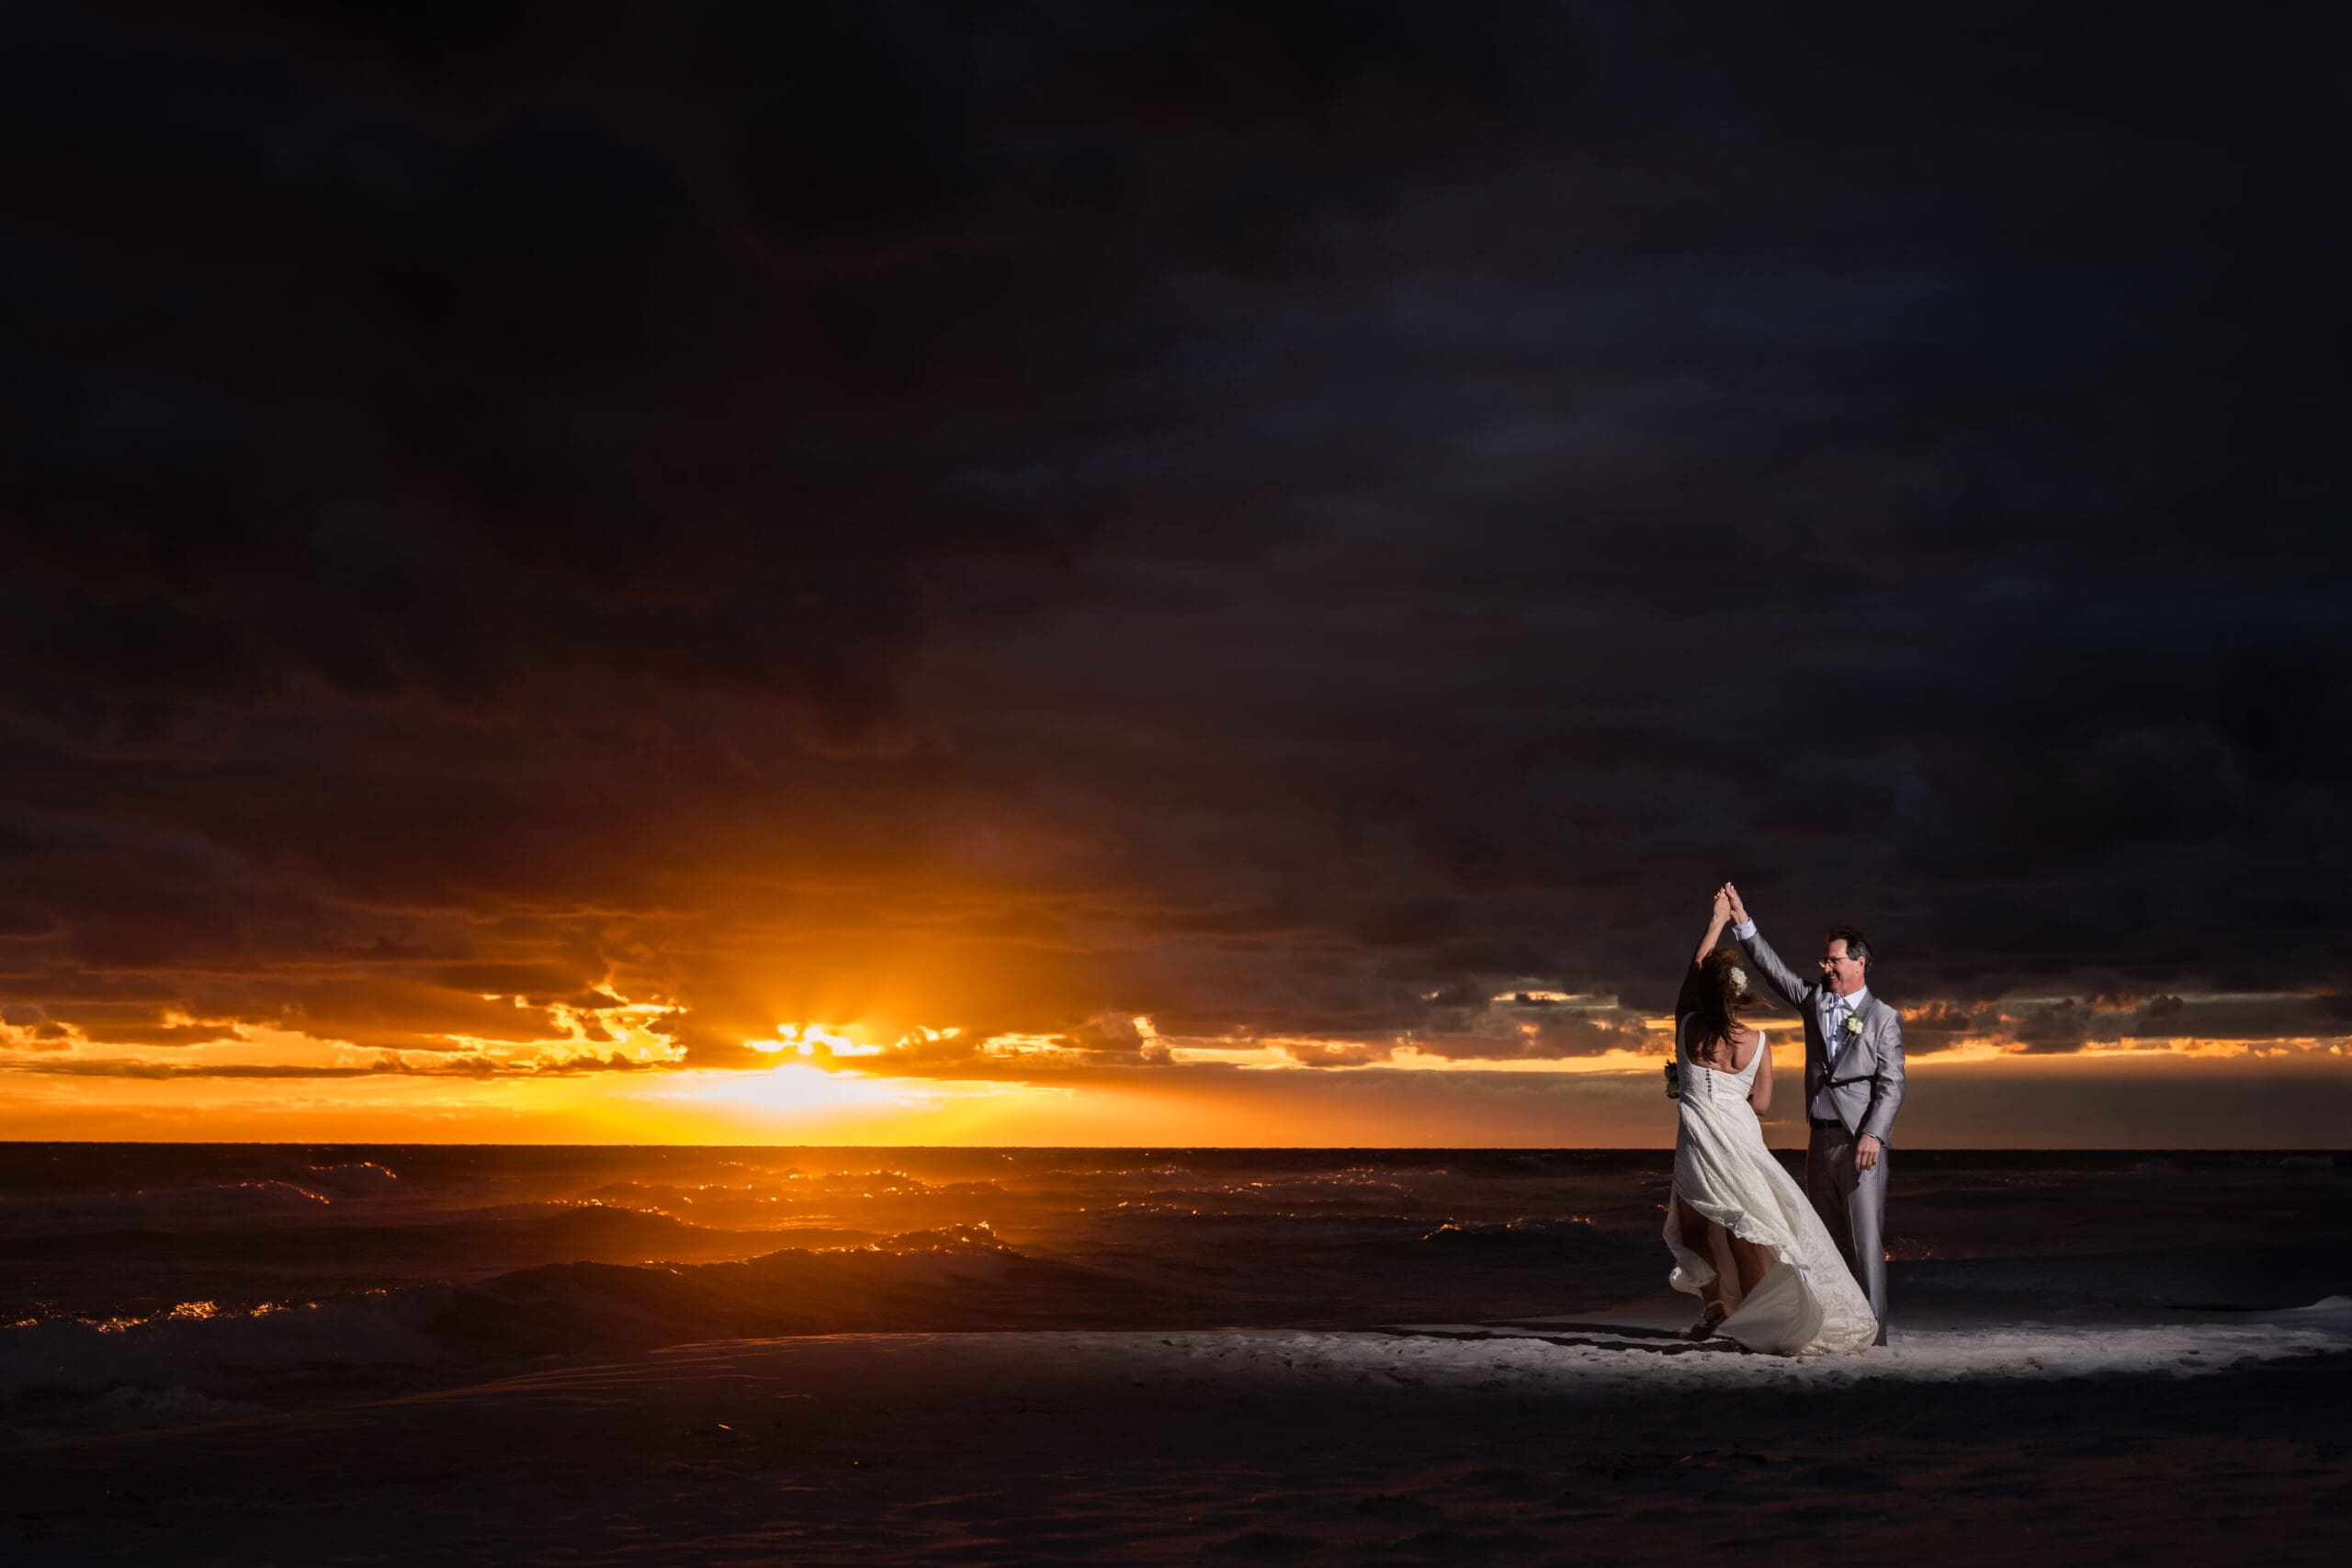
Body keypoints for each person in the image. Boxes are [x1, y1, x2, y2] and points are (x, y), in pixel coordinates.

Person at [1663, 888, 1878, 1354]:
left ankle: (1719, 1308)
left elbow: (1692, 972)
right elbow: (1760, 1106)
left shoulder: (1687, 1027)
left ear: (1705, 993)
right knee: (1747, 1234)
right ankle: (1747, 1318)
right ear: (1739, 995)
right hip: (1740, 1143)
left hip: (1699, 1144)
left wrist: (1717, 920)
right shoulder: (1759, 1043)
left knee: (1696, 1230)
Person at [1721, 882, 1904, 1346]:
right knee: (1825, 1242)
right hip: (1818, 1141)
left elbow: (1892, 1084)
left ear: (1859, 963)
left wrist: (1874, 1135)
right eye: (1824, 960)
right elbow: (1772, 969)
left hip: (1859, 1144)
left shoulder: (1883, 1018)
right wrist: (1742, 920)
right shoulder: (1814, 1001)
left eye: (1833, 960)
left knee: (1865, 1243)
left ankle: (1876, 1337)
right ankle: (1841, 1328)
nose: (1825, 967)